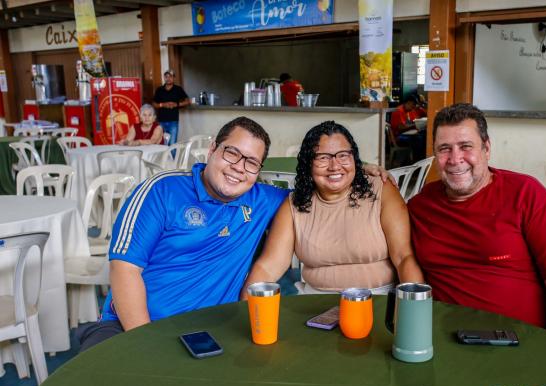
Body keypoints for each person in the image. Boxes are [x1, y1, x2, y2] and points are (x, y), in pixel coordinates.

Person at [78, 117, 391, 351]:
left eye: (251, 162)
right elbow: (124, 270)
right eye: (232, 153)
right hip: (132, 326)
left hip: (211, 331)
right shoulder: (161, 191)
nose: (239, 167)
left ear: (258, 170)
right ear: (212, 149)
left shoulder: (265, 200)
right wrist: (144, 343)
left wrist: (357, 167)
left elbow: (321, 183)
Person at [407, 103, 546, 347]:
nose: (455, 159)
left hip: (520, 343)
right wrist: (369, 171)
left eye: (466, 147)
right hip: (445, 343)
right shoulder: (420, 206)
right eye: (444, 149)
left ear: (487, 148)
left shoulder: (526, 195)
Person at [243, 121, 424, 296]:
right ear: (308, 163)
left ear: (354, 158)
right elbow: (267, 267)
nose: (334, 166)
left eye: (343, 155)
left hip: (379, 298)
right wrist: (246, 308)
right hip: (316, 300)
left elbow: (404, 258)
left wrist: (415, 307)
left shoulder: (381, 189)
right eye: (323, 158)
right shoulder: (295, 204)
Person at [152, 69, 189, 145]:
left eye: (170, 76)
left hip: (173, 121)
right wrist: (162, 105)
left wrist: (176, 104)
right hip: (161, 121)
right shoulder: (159, 89)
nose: (168, 78)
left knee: (172, 144)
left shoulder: (178, 89)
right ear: (164, 78)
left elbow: (187, 101)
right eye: (166, 77)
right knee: (161, 143)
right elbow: (154, 104)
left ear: (174, 78)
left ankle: (172, 154)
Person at [390, 94, 426, 161]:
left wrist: (419, 124)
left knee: (423, 135)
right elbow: (400, 128)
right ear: (408, 103)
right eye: (413, 105)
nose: (414, 107)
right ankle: (416, 161)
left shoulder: (410, 110)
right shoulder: (398, 111)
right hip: (398, 137)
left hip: (407, 133)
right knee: (417, 139)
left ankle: (420, 159)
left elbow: (415, 120)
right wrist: (414, 125)